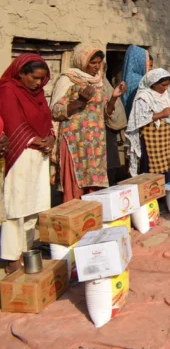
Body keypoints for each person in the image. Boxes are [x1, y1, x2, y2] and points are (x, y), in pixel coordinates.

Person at [50, 44, 127, 201]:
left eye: (99, 63)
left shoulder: (97, 82)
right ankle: (75, 217)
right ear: (82, 61)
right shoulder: (68, 80)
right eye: (93, 62)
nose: (97, 67)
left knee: (93, 182)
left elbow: (105, 113)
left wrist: (114, 97)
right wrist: (80, 100)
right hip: (74, 141)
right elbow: (56, 111)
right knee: (75, 181)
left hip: (95, 141)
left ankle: (91, 217)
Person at [0, 55, 55, 272]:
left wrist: (50, 136)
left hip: (39, 155)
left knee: (34, 205)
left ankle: (27, 248)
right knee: (16, 206)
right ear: (21, 72)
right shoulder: (8, 90)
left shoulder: (38, 94)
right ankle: (11, 256)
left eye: (42, 79)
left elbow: (46, 119)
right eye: (34, 78)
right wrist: (33, 139)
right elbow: (13, 121)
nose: (38, 83)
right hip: (20, 153)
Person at [126, 69, 170, 182]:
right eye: (163, 85)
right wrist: (162, 114)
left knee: (166, 164)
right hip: (151, 139)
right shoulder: (143, 97)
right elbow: (138, 119)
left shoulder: (164, 95)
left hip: (163, 139)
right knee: (151, 168)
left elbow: (166, 113)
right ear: (153, 83)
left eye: (167, 85)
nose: (165, 88)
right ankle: (153, 195)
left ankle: (166, 192)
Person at [122, 45, 152, 118]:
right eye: (148, 64)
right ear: (140, 62)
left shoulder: (126, 76)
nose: (150, 69)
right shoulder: (142, 80)